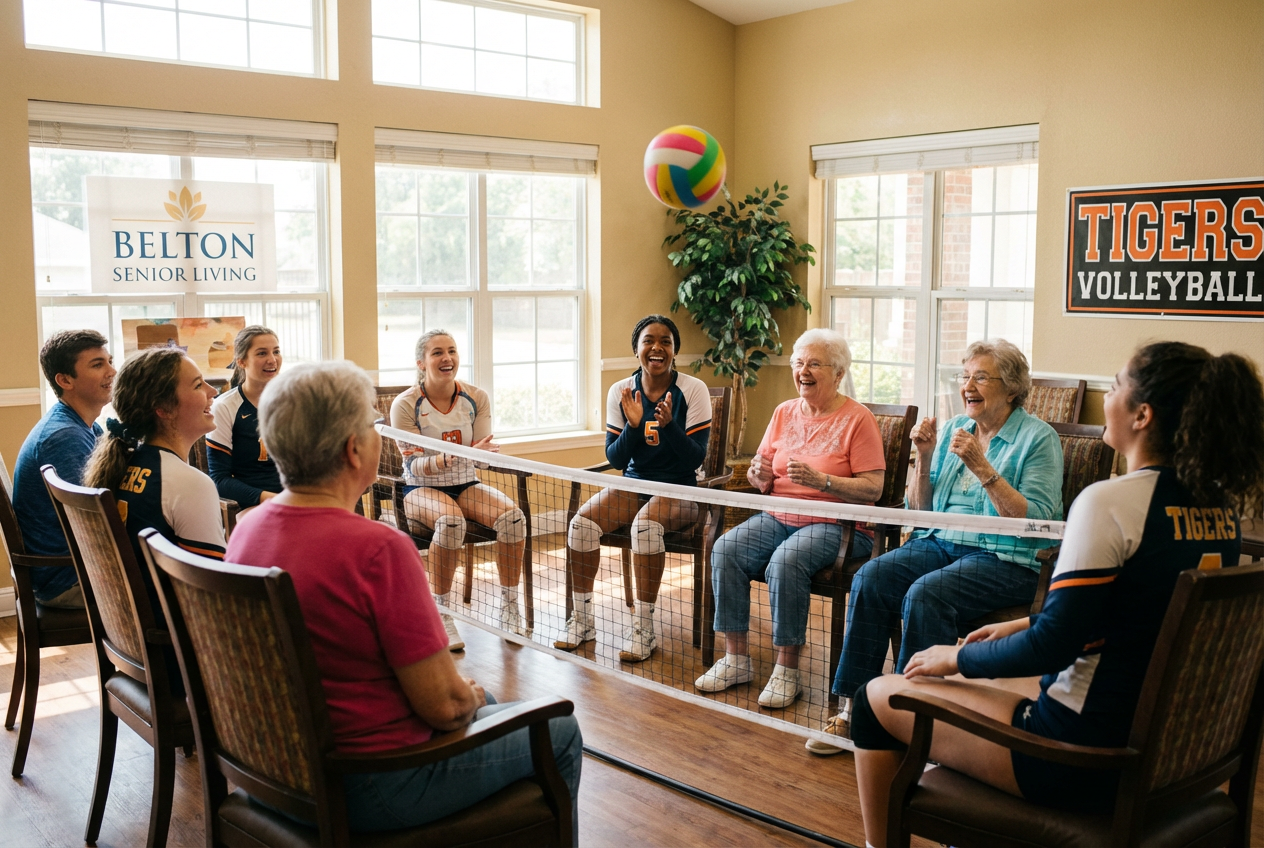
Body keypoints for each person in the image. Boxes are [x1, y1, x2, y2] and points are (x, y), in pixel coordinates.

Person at [850, 341, 1263, 844]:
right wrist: (1024, 622)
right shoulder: (1219, 509)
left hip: (1079, 756)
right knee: (976, 683)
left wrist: (951, 659)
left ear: (1143, 414)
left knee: (875, 700)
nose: (1107, 396)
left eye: (1114, 386)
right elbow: (1141, 607)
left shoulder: (1110, 501)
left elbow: (1053, 647)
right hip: (1175, 749)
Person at [228, 360, 582, 833]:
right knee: (559, 729)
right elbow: (446, 707)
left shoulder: (246, 530)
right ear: (355, 450)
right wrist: (466, 697)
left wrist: (471, 698)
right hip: (371, 783)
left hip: (274, 773)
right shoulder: (380, 550)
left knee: (488, 697)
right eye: (374, 428)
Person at [810, 338, 1063, 752]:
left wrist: (983, 468)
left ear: (1013, 388)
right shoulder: (953, 430)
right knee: (872, 578)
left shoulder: (1038, 439)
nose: (968, 385)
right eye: (965, 376)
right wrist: (925, 457)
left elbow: (1037, 523)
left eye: (981, 376)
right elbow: (921, 508)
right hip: (941, 540)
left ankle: (914, 719)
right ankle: (856, 708)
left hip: (1005, 556)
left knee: (926, 595)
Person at [693, 328, 885, 708]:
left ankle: (787, 670)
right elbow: (761, 471)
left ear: (838, 373)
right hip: (779, 514)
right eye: (799, 363)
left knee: (786, 562)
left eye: (814, 364)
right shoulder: (783, 412)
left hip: (837, 523)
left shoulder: (857, 419)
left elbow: (874, 489)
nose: (803, 371)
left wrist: (824, 481)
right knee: (726, 549)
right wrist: (758, 475)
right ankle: (736, 659)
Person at [555, 315, 712, 662]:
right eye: (648, 341)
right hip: (635, 483)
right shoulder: (621, 391)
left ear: (675, 351)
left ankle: (643, 628)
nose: (657, 347)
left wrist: (669, 427)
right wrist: (635, 425)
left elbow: (694, 459)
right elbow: (615, 457)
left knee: (645, 526)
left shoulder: (693, 389)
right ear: (636, 349)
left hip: (682, 489)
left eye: (666, 342)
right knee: (581, 525)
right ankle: (582, 620)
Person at [390, 330, 528, 649]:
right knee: (451, 524)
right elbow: (414, 466)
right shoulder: (406, 404)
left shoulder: (475, 397)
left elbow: (480, 458)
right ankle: (441, 613)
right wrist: (451, 457)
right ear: (421, 363)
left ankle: (509, 608)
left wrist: (478, 457)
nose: (447, 358)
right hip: (418, 489)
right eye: (437, 352)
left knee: (514, 519)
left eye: (451, 351)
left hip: (466, 483)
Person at [84, 348, 226, 597]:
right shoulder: (189, 483)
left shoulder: (125, 462)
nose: (212, 391)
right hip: (176, 628)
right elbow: (214, 588)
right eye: (197, 385)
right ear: (163, 408)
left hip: (137, 622)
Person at [12, 330, 116, 608]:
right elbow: (94, 523)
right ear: (65, 380)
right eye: (98, 365)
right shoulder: (64, 437)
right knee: (175, 589)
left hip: (69, 569)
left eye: (109, 361)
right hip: (67, 579)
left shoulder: (83, 425)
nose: (112, 371)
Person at [207, 325, 283, 510]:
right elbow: (219, 480)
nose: (272, 360)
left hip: (299, 501)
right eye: (262, 353)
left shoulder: (296, 401)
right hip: (251, 506)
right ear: (241, 361)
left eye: (276, 351)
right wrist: (272, 500)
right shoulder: (224, 407)